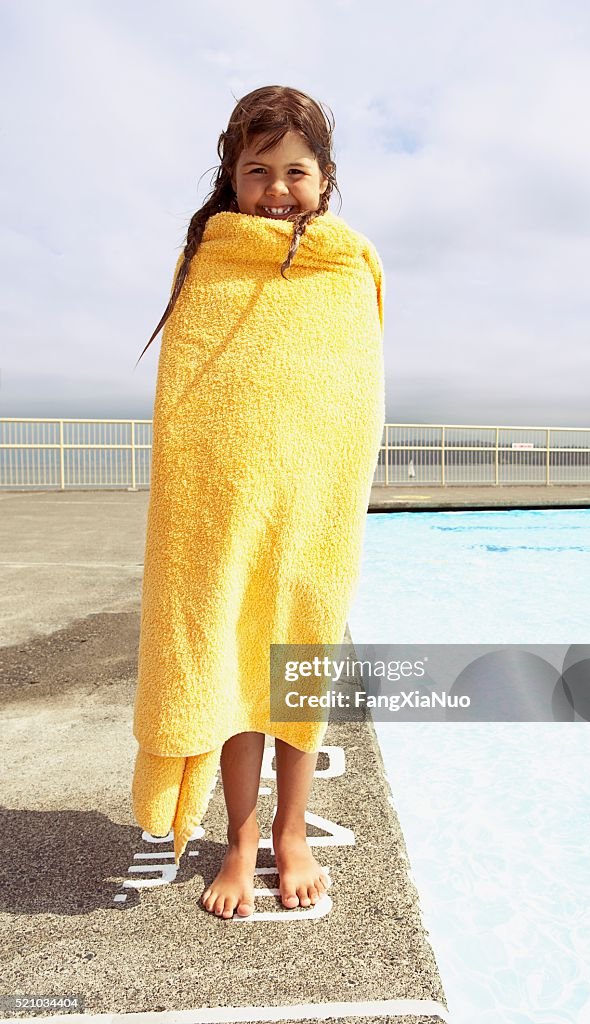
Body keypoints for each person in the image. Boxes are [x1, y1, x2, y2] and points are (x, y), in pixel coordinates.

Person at [132, 85, 385, 921]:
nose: (277, 189)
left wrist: (333, 487)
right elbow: (191, 395)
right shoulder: (205, 262)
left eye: (295, 171)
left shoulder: (347, 265)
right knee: (235, 664)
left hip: (311, 501)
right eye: (257, 170)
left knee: (298, 663)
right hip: (224, 500)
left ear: (327, 177)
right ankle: (241, 837)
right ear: (231, 175)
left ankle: (290, 833)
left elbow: (355, 396)